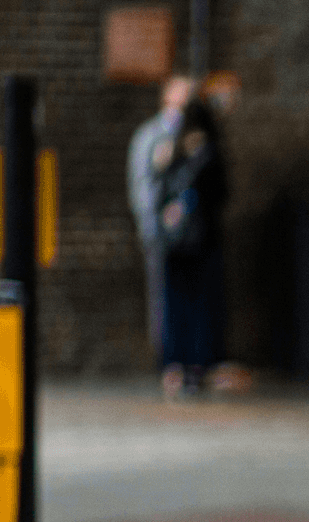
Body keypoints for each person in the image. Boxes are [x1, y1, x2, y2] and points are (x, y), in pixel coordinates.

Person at [153, 99, 228, 398]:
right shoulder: (194, 154)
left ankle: (186, 366)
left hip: (186, 241)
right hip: (191, 242)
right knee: (190, 305)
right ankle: (187, 366)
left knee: (187, 305)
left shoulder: (186, 154)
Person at [127, 74, 194, 351]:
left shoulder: (192, 135)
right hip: (160, 232)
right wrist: (153, 224)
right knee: (162, 296)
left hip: (189, 234)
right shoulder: (150, 136)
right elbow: (142, 184)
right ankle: (167, 357)